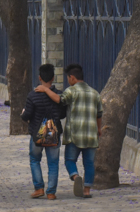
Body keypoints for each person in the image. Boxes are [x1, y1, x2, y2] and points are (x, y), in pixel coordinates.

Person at [35, 63, 103, 198]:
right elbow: (99, 114)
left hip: (74, 134)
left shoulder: (71, 91)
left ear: (72, 77)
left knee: (70, 160)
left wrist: (45, 89)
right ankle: (87, 190)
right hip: (90, 135)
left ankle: (76, 176)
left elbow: (59, 100)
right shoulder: (95, 93)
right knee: (89, 163)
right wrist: (98, 129)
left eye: (68, 78)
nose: (68, 81)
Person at [21, 64, 67, 200]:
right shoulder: (58, 95)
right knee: (53, 163)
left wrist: (23, 113)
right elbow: (63, 114)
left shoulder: (32, 95)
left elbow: (26, 116)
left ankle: (39, 188)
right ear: (53, 78)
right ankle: (51, 192)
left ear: (39, 77)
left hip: (37, 134)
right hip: (54, 134)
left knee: (35, 160)